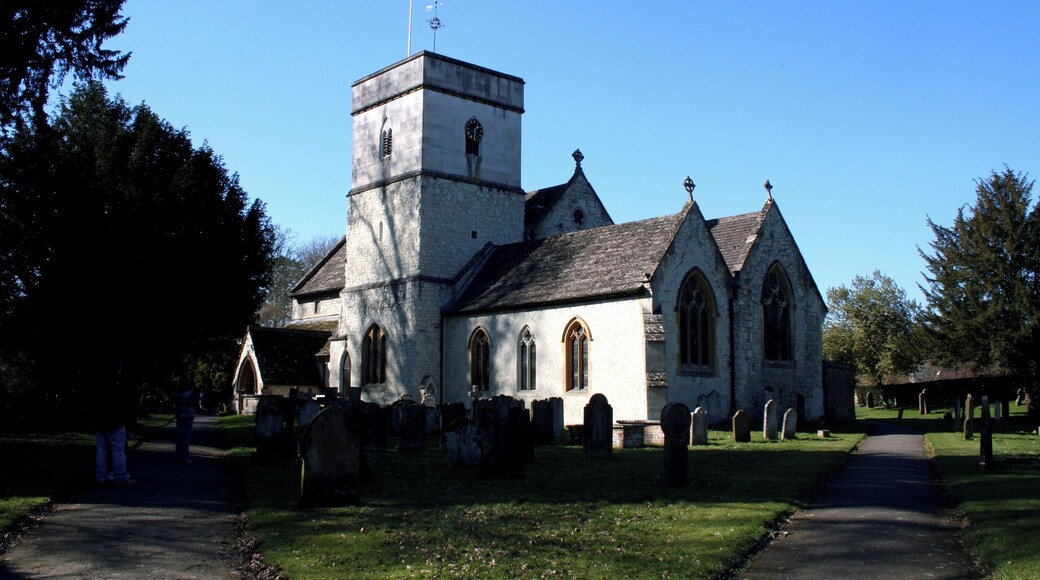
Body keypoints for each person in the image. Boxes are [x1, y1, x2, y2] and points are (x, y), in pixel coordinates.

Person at [93, 365, 135, 485]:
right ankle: (119, 475)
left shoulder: (98, 384)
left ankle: (101, 476)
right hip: (116, 421)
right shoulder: (120, 384)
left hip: (100, 421)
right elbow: (126, 403)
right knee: (118, 450)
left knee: (101, 450)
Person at [173, 376, 197, 464]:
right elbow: (194, 403)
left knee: (179, 437)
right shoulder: (190, 393)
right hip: (188, 416)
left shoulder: (177, 392)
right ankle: (184, 457)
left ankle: (178, 456)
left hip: (179, 416)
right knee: (186, 438)